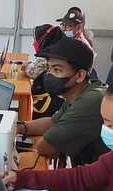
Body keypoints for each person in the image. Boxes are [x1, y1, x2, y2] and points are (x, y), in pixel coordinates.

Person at [16, 38, 107, 167]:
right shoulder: (77, 94)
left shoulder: (91, 100)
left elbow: (47, 147)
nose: (49, 75)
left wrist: (20, 142)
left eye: (57, 70)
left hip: (100, 177)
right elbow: (52, 122)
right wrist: (18, 127)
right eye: (49, 68)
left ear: (80, 75)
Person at [26, 24, 66, 119]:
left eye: (36, 40)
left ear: (44, 40)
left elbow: (32, 71)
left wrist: (27, 66)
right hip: (57, 103)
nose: (34, 44)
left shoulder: (49, 56)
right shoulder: (60, 51)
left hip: (51, 107)